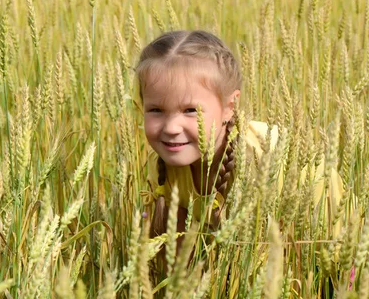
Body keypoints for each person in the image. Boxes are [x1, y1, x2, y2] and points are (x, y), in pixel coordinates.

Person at [136, 30, 346, 268]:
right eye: (156, 110)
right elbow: (182, 265)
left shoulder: (267, 159)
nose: (172, 128)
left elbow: (336, 253)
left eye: (190, 110)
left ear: (229, 108)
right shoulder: (160, 169)